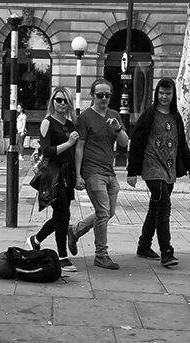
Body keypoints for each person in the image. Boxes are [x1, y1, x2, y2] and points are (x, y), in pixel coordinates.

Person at [127, 77, 190, 268]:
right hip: (152, 169)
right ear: (156, 94)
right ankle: (166, 250)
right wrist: (132, 171)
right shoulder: (148, 115)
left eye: (168, 93)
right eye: (161, 93)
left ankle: (144, 245)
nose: (164, 96)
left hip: (170, 170)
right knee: (164, 208)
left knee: (155, 208)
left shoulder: (176, 117)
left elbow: (182, 144)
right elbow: (137, 142)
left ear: (173, 95)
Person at [67, 78, 130, 270]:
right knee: (103, 213)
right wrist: (78, 175)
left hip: (109, 171)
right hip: (92, 171)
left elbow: (124, 143)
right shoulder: (85, 118)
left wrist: (117, 128)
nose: (104, 98)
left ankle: (75, 230)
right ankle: (101, 255)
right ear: (92, 95)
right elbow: (79, 147)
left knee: (108, 212)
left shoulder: (114, 115)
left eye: (107, 95)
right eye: (100, 95)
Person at [25, 87, 80, 273]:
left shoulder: (71, 125)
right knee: (63, 215)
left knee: (60, 216)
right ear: (52, 102)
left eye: (65, 101)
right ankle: (62, 257)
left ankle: (36, 239)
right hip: (53, 175)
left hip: (67, 174)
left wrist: (78, 175)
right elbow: (47, 151)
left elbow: (75, 152)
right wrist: (68, 143)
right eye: (58, 100)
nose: (62, 104)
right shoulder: (47, 122)